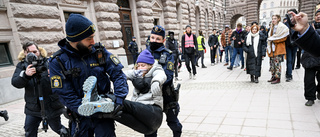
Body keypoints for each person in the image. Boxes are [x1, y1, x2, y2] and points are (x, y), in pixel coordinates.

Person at [49, 14, 128, 136]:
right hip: (80, 117)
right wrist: (89, 110)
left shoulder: (99, 52)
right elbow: (64, 93)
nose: (93, 41)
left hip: (105, 114)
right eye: (89, 38)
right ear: (75, 39)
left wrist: (119, 99)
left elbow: (118, 75)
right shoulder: (58, 61)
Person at [78, 49, 166, 135]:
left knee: (124, 104)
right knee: (116, 113)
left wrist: (156, 82)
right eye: (138, 65)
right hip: (144, 125)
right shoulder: (137, 74)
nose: (140, 68)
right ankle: (96, 107)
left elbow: (161, 75)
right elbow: (122, 75)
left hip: (154, 114)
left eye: (143, 65)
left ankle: (105, 99)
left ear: (150, 65)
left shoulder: (156, 70)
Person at [11, 41, 68, 137]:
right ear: (24, 53)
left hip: (51, 105)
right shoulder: (21, 66)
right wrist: (25, 75)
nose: (33, 55)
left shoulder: (49, 62)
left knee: (58, 128)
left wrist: (57, 75)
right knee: (29, 132)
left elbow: (64, 80)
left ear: (39, 51)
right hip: (33, 107)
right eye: (29, 52)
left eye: (35, 51)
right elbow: (15, 83)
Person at [148, 25, 182, 137]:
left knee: (173, 123)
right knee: (150, 126)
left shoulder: (168, 54)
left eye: (158, 39)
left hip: (166, 95)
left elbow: (168, 76)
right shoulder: (144, 54)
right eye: (152, 38)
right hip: (149, 96)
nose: (154, 41)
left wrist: (150, 79)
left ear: (163, 40)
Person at [267, 15, 289, 84]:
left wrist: (275, 40)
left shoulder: (283, 27)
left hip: (278, 48)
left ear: (279, 19)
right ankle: (273, 76)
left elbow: (284, 37)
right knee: (272, 63)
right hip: (272, 48)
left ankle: (278, 77)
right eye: (272, 19)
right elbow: (270, 37)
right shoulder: (272, 28)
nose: (273, 20)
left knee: (277, 63)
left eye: (275, 19)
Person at [284, 9, 299, 82]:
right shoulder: (286, 23)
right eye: (288, 15)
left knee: (293, 59)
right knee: (289, 60)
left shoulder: (299, 22)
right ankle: (289, 75)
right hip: (288, 44)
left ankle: (288, 72)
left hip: (295, 44)